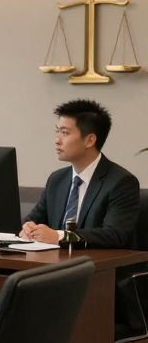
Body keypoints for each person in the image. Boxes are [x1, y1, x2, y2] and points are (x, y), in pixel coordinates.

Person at [20, 99, 139, 248]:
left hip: (97, 266)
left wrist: (60, 236)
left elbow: (114, 234)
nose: (57, 140)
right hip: (54, 264)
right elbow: (34, 219)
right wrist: (29, 228)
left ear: (90, 140)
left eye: (65, 133)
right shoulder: (57, 179)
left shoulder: (121, 182)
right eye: (57, 131)